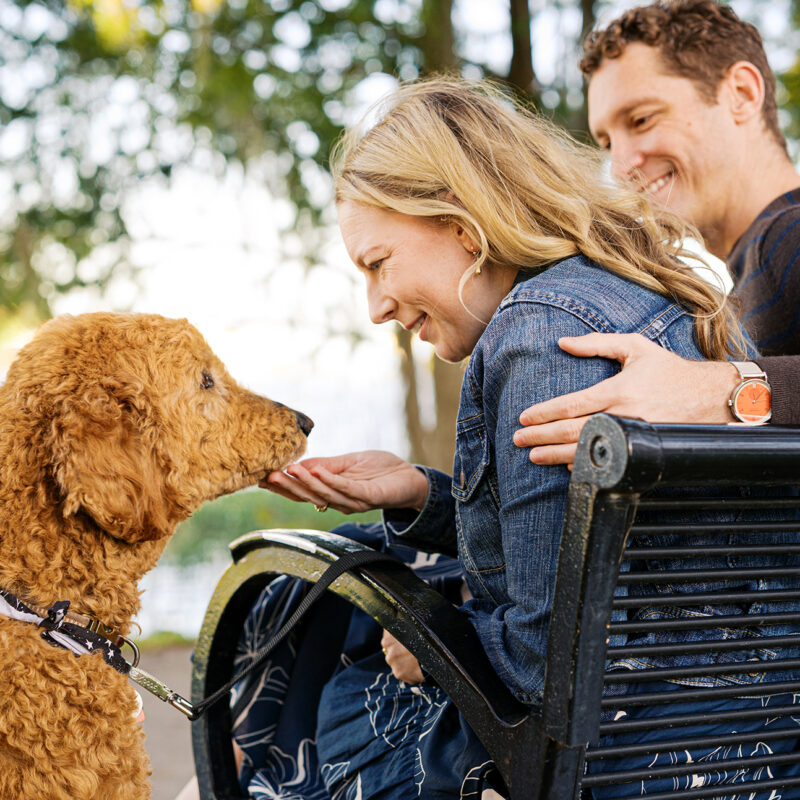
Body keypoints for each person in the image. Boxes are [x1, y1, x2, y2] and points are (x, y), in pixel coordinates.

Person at [215, 77, 800, 800]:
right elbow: (596, 551)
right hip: (744, 747)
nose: (375, 307)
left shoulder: (540, 336)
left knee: (302, 665)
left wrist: (434, 649)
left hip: (612, 763)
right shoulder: (650, 295)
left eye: (377, 264)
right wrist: (419, 493)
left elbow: (544, 663)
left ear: (461, 222)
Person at [514, 0, 800, 468]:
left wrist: (715, 390)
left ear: (742, 94)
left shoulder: (789, 236)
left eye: (642, 120)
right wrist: (435, 499)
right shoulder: (751, 272)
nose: (621, 167)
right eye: (606, 143)